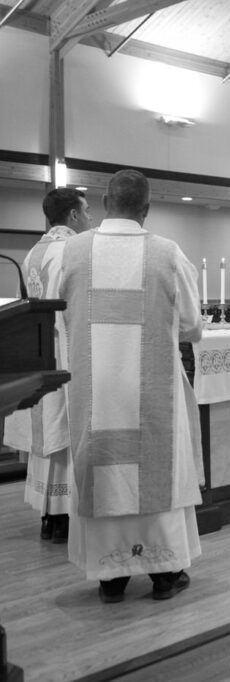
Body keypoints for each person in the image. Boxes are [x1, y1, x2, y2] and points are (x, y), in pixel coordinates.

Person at [59, 169, 202, 603]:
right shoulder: (167, 253)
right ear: (146, 209)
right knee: (160, 470)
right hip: (153, 391)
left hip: (94, 388)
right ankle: (163, 573)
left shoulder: (71, 253)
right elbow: (192, 325)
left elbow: (54, 316)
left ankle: (111, 577)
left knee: (101, 473)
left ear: (104, 203)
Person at [4, 187, 91, 544]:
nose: (90, 218)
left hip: (42, 348)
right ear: (72, 215)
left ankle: (49, 517)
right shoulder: (73, 249)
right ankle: (66, 516)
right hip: (69, 348)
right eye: (86, 211)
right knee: (67, 431)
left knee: (50, 432)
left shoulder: (33, 252)